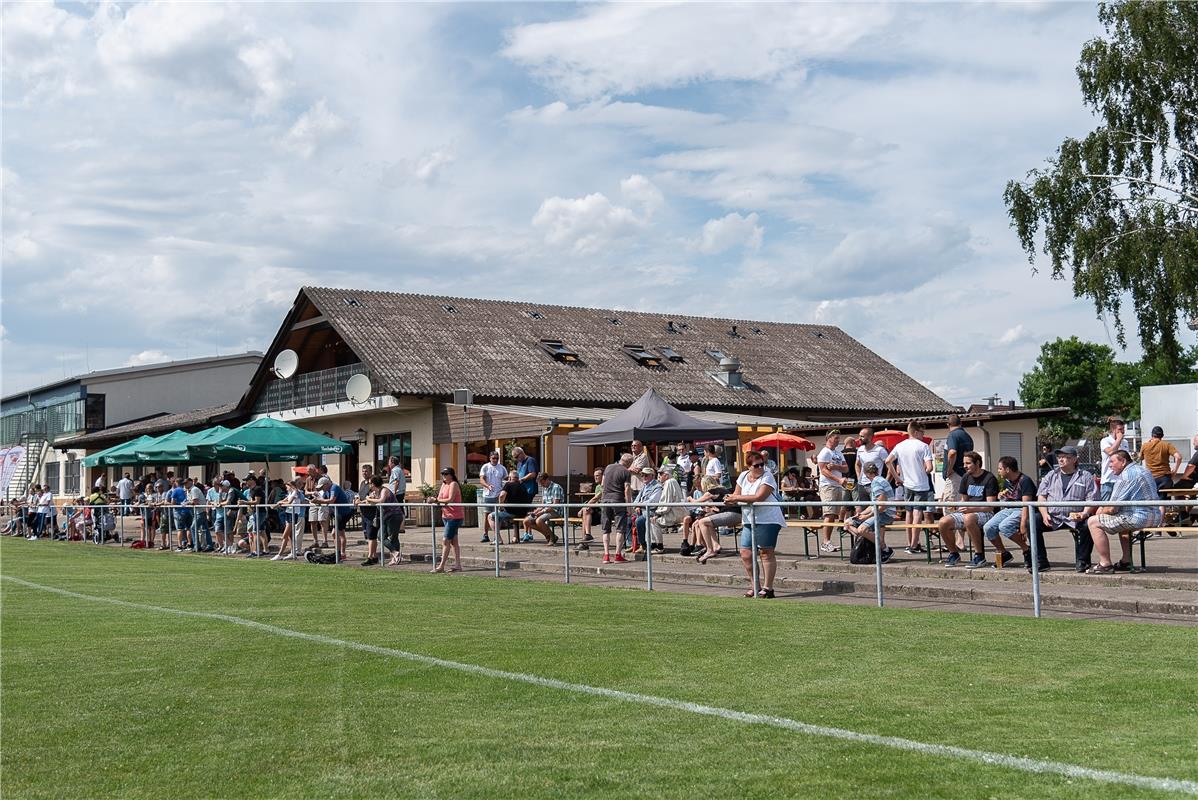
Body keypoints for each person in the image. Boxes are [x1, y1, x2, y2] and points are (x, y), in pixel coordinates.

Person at [1085, 450, 1162, 573]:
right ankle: (1126, 561)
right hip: (1155, 515)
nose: (1110, 465)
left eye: (1112, 461)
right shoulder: (1142, 470)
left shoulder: (1125, 476)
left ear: (1123, 461)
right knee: (1122, 521)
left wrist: (1099, 512)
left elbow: (1112, 507)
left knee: (1093, 522)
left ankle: (1105, 564)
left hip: (1139, 517)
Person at [726, 451, 785, 598]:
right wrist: (731, 498)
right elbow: (736, 493)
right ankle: (755, 585)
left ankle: (768, 588)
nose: (760, 467)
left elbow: (759, 497)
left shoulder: (768, 476)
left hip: (768, 518)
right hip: (749, 518)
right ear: (748, 466)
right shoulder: (743, 476)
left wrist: (735, 498)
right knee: (745, 553)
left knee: (765, 552)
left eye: (762, 464)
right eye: (756, 465)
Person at [1037, 445, 1101, 572]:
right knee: (1032, 522)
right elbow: (1041, 497)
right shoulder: (1051, 475)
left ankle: (1083, 561)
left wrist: (1084, 513)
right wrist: (1044, 514)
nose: (1061, 460)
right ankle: (1041, 561)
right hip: (1053, 517)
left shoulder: (1085, 476)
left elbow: (1092, 498)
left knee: (1089, 524)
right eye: (1059, 457)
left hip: (1076, 517)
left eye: (1066, 457)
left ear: (1074, 460)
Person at [937, 451, 998, 568]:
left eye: (968, 463)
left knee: (968, 518)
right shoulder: (966, 477)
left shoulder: (989, 478)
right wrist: (955, 505)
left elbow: (991, 506)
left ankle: (979, 555)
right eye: (964, 463)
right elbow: (963, 500)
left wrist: (971, 508)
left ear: (978, 463)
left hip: (985, 512)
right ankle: (953, 553)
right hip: (968, 512)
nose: (965, 466)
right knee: (943, 522)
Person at [981, 456, 1041, 571]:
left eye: (1000, 469)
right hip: (1008, 509)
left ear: (1007, 469)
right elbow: (1007, 500)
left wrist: (1023, 523)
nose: (998, 472)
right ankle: (1004, 553)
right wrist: (1001, 497)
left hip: (1021, 509)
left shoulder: (1025, 480)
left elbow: (1026, 504)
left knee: (1005, 526)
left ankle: (1026, 550)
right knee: (988, 527)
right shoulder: (1007, 481)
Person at [886, 422, 934, 553]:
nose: (923, 435)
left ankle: (909, 543)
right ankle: (914, 544)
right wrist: (925, 471)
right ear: (917, 432)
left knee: (908, 512)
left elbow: (888, 461)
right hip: (921, 484)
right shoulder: (923, 446)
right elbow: (929, 467)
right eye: (922, 432)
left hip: (906, 483)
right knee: (918, 512)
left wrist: (897, 478)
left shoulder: (900, 445)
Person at [843, 462, 895, 562]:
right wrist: (862, 514)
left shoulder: (876, 482)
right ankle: (872, 541)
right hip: (881, 512)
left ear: (866, 474)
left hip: (885, 514)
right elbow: (873, 505)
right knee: (848, 523)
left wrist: (866, 517)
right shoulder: (879, 480)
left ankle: (885, 549)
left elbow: (882, 505)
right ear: (877, 471)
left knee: (862, 530)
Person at [816, 430, 848, 551]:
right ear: (829, 439)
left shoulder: (839, 453)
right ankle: (825, 542)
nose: (838, 441)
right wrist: (838, 479)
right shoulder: (824, 452)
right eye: (836, 438)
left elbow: (846, 468)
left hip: (837, 486)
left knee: (834, 514)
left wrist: (836, 467)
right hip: (828, 486)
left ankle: (828, 541)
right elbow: (823, 470)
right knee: (829, 513)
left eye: (839, 439)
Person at [599, 453, 634, 563]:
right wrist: (629, 506)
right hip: (618, 500)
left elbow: (602, 484)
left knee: (606, 529)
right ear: (628, 463)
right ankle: (618, 555)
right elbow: (627, 489)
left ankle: (606, 555)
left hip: (605, 500)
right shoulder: (626, 472)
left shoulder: (608, 467)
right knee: (620, 529)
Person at [363, 475, 404, 565]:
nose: (369, 485)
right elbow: (368, 500)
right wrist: (360, 502)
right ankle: (395, 553)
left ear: (373, 484)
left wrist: (369, 499)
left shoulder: (384, 490)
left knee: (393, 537)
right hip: (385, 517)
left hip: (394, 516)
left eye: (370, 483)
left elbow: (381, 500)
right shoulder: (375, 492)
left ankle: (395, 557)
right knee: (380, 536)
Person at [432, 467, 464, 572]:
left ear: (451, 475)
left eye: (446, 474)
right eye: (443, 474)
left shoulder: (453, 484)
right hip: (446, 515)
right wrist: (434, 499)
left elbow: (450, 499)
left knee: (446, 540)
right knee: (454, 541)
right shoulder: (444, 484)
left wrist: (436, 500)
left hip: (454, 516)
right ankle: (458, 565)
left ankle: (441, 566)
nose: (444, 476)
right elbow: (440, 498)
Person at [522, 472, 565, 546]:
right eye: (540, 483)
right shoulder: (544, 488)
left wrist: (542, 512)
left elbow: (555, 505)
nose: (541, 485)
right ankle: (548, 535)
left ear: (547, 479)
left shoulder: (556, 487)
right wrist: (536, 511)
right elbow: (542, 505)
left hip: (556, 511)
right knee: (526, 521)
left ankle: (551, 538)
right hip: (545, 511)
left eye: (542, 482)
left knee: (539, 520)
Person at [490, 469, 530, 545]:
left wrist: (500, 506)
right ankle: (515, 537)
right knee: (510, 517)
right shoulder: (523, 486)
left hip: (511, 512)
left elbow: (502, 495)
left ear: (510, 478)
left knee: (491, 516)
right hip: (523, 513)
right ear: (517, 478)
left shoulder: (508, 484)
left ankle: (498, 539)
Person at [941, 414, 974, 503]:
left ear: (948, 425)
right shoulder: (967, 436)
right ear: (961, 423)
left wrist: (949, 470)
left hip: (955, 474)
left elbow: (952, 452)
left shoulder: (953, 435)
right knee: (961, 504)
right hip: (965, 474)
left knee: (950, 506)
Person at [272, 479, 307, 561]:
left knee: (285, 535)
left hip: (293, 514)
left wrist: (280, 504)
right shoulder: (290, 493)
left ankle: (280, 554)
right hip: (288, 513)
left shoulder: (296, 492)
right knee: (290, 535)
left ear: (291, 486)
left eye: (287, 486)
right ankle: (292, 553)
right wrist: (277, 504)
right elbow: (284, 500)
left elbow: (289, 502)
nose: (286, 488)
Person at [855, 427, 889, 509]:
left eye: (862, 436)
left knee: (875, 509)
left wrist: (885, 481)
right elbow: (857, 464)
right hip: (861, 484)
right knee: (864, 509)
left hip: (875, 484)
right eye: (859, 436)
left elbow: (890, 467)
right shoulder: (860, 449)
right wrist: (859, 476)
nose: (860, 438)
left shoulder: (880, 450)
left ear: (870, 437)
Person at [631, 466, 663, 553]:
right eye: (642, 475)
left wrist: (639, 505)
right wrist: (637, 506)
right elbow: (636, 500)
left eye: (646, 475)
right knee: (628, 521)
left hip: (651, 512)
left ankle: (643, 545)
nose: (644, 477)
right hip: (643, 510)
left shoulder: (657, 486)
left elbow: (653, 501)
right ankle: (632, 544)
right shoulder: (644, 486)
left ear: (652, 476)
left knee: (639, 521)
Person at [1140, 425, 1181, 491]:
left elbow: (1140, 458)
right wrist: (1174, 471)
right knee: (1165, 500)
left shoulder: (1145, 446)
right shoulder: (1167, 445)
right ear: (1162, 435)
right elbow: (1178, 457)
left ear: (1152, 435)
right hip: (1165, 478)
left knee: (1152, 500)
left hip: (1150, 478)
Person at [1099, 416, 1131, 499]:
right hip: (1109, 481)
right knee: (1106, 508)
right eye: (1120, 429)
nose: (1122, 432)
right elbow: (1110, 452)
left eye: (1123, 429)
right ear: (1113, 430)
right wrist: (1118, 440)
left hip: (1123, 480)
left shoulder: (1125, 442)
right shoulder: (1105, 441)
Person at [478, 451, 507, 543]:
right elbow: (481, 480)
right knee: (487, 514)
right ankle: (485, 534)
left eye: (497, 458)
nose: (495, 460)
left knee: (498, 515)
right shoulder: (485, 467)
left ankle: (496, 535)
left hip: (498, 494)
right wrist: (487, 486)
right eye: (493, 458)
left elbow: (506, 479)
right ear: (490, 458)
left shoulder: (502, 468)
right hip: (488, 494)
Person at [577, 467, 605, 549]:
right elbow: (595, 501)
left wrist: (583, 508)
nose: (595, 477)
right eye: (594, 475)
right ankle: (586, 538)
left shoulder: (605, 486)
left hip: (606, 512)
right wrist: (585, 508)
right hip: (599, 511)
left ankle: (585, 540)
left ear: (603, 476)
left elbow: (595, 498)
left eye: (597, 475)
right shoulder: (597, 487)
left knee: (586, 510)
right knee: (586, 512)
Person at [357, 464, 378, 559]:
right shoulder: (362, 483)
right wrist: (357, 500)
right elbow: (360, 495)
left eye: (366, 471)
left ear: (371, 472)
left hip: (372, 512)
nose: (364, 473)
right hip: (363, 512)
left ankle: (371, 556)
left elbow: (372, 496)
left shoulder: (373, 482)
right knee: (367, 534)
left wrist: (362, 501)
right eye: (363, 471)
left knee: (371, 534)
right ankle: (373, 555)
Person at [168, 479, 191, 551]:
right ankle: (189, 544)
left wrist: (168, 503)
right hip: (188, 511)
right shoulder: (186, 489)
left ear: (176, 482)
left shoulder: (176, 490)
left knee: (180, 529)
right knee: (188, 528)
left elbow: (172, 502)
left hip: (180, 512)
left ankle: (179, 546)